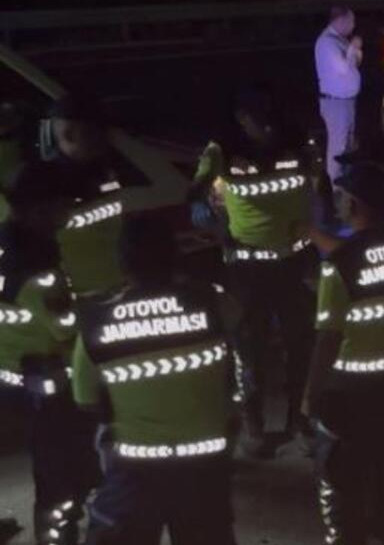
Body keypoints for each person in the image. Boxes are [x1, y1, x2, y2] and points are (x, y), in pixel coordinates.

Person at [73, 217, 237, 545]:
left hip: (135, 468)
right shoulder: (214, 302)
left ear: (121, 262)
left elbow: (86, 400)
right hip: (205, 462)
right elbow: (238, 328)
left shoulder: (95, 321)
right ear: (175, 256)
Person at [304, 164, 384, 545]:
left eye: (341, 197)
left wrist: (310, 396)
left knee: (341, 479)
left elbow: (328, 338)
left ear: (355, 204)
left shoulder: (338, 267)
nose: (336, 203)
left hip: (352, 392)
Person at [190, 86, 315, 458]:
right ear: (241, 120)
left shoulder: (299, 143)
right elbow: (196, 195)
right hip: (247, 270)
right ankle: (253, 424)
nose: (261, 127)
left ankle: (300, 420)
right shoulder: (222, 152)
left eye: (265, 119)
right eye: (251, 120)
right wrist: (207, 210)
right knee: (251, 353)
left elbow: (316, 187)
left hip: (295, 265)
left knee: (302, 346)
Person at [0, 163, 98, 545]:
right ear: (41, 210)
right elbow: (65, 327)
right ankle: (56, 534)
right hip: (46, 380)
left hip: (8, 366)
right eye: (62, 206)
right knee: (58, 470)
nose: (68, 214)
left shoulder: (5, 242)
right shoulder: (40, 267)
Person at [46, 95, 128, 298]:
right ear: (69, 134)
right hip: (78, 296)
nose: (105, 137)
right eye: (93, 131)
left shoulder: (105, 171)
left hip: (117, 287)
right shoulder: (42, 182)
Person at [315, 6, 363, 185]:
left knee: (348, 145)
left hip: (347, 101)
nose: (353, 25)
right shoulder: (327, 42)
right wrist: (353, 48)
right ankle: (334, 187)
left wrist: (353, 50)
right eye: (351, 21)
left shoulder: (340, 40)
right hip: (336, 103)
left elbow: (356, 61)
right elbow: (344, 68)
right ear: (340, 20)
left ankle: (346, 184)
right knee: (339, 147)